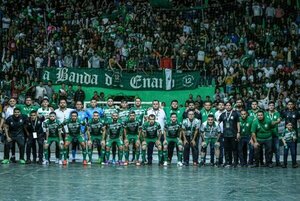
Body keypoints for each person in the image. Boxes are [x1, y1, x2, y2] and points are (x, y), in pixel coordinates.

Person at [218, 101, 240, 167]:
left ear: (231, 106)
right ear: (225, 106)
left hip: (233, 134)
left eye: (229, 105)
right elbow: (217, 123)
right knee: (227, 149)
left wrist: (238, 132)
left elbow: (238, 123)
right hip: (225, 135)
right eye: (226, 105)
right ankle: (228, 162)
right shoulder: (222, 114)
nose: (228, 106)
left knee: (234, 148)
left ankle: (235, 162)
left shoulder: (235, 114)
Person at [265, 101, 281, 166]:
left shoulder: (277, 113)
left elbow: (279, 120)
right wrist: (274, 122)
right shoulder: (265, 114)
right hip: (268, 135)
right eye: (270, 105)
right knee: (269, 149)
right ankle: (269, 162)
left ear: (274, 106)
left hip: (275, 134)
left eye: (272, 105)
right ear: (268, 107)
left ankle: (278, 162)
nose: (271, 106)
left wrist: (273, 122)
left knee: (277, 149)